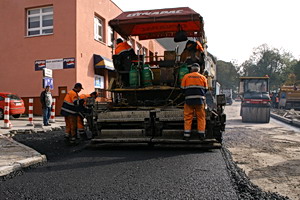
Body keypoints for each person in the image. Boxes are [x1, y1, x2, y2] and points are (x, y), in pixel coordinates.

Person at [181, 63, 208, 139]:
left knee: (188, 117)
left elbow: (182, 89)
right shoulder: (203, 78)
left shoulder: (186, 77)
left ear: (191, 69)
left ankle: (186, 135)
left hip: (189, 101)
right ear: (199, 69)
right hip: (200, 101)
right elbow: (206, 89)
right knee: (201, 117)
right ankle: (201, 135)